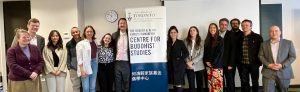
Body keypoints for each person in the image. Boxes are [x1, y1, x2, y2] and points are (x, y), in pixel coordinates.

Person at [258, 25, 296, 92]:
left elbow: (292, 56)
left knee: (283, 90)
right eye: (271, 31)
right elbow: (260, 56)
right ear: (269, 33)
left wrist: (282, 65)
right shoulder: (263, 44)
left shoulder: (288, 43)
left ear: (280, 32)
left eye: (276, 31)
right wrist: (268, 65)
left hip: (284, 71)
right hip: (268, 72)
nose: (274, 33)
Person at [237, 19, 263, 92]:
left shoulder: (257, 37)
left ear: (251, 26)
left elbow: (261, 51)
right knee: (244, 82)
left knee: (255, 82)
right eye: (243, 25)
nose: (244, 27)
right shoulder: (239, 37)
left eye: (247, 25)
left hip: (254, 64)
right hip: (243, 64)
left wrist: (259, 62)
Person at [76, 25, 98, 92]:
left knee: (93, 86)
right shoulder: (80, 43)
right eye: (87, 31)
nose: (89, 33)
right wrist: (82, 70)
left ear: (93, 32)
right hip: (85, 65)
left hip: (94, 64)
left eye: (91, 31)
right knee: (85, 87)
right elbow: (79, 58)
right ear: (84, 33)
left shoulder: (96, 42)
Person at [167, 26, 189, 92]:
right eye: (171, 32)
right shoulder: (168, 43)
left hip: (179, 66)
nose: (173, 34)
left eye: (174, 32)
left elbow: (186, 53)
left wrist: (180, 58)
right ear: (169, 34)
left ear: (177, 33)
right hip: (171, 66)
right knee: (174, 83)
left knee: (178, 84)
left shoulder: (180, 42)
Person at [184, 26, 205, 92]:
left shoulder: (202, 41)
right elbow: (184, 53)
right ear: (189, 32)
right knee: (191, 85)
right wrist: (188, 62)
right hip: (189, 66)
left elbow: (201, 55)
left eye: (194, 30)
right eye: (191, 30)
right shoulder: (185, 41)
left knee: (200, 85)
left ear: (197, 32)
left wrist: (192, 62)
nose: (192, 32)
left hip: (199, 65)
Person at [204, 23, 224, 92]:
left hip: (217, 66)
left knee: (217, 85)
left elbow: (220, 53)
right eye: (211, 28)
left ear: (216, 29)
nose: (212, 29)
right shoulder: (207, 40)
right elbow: (205, 52)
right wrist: (206, 61)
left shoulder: (220, 39)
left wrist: (212, 63)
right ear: (209, 29)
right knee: (211, 84)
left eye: (214, 27)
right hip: (208, 66)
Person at [112, 18, 131, 92]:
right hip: (117, 61)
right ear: (118, 25)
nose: (122, 24)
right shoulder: (114, 35)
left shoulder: (130, 34)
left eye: (124, 23)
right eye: (120, 23)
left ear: (127, 25)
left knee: (126, 80)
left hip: (126, 61)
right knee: (117, 81)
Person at [218, 18, 235, 92]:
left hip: (228, 63)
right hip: (218, 62)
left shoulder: (232, 34)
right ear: (219, 25)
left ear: (227, 26)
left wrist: (231, 64)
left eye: (225, 25)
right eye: (222, 24)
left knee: (230, 81)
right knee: (220, 81)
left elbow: (233, 50)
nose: (224, 26)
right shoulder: (215, 33)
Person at [66, 27, 82, 92]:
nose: (75, 33)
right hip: (73, 68)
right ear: (71, 34)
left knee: (85, 85)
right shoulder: (69, 44)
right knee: (76, 86)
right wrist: (69, 67)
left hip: (84, 67)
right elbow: (68, 55)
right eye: (73, 32)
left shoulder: (84, 41)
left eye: (76, 32)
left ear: (79, 32)